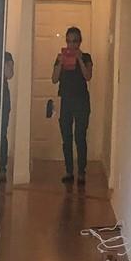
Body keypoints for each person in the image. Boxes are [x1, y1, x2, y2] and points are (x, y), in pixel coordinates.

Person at [46, 26, 94, 187]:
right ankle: (69, 171)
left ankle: (81, 172)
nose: (71, 45)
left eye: (74, 41)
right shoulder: (61, 57)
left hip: (81, 101)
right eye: (68, 41)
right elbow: (54, 79)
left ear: (80, 42)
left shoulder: (86, 57)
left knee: (80, 136)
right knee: (66, 137)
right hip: (66, 100)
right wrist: (60, 63)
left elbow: (88, 76)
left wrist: (79, 59)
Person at [0, 52, 15, 182]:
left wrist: (6, 64)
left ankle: (2, 168)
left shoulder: (7, 56)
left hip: (3, 97)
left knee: (2, 132)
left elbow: (10, 74)